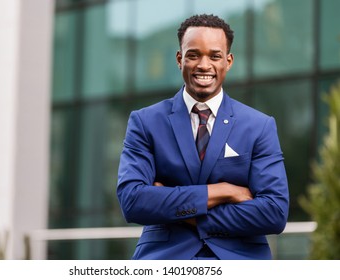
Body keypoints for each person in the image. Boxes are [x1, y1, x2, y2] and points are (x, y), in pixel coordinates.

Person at [116, 14, 289, 260]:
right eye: (194, 55)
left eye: (215, 56)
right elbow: (132, 201)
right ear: (180, 59)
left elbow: (274, 212)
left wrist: (189, 215)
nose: (204, 65)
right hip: (165, 259)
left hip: (240, 261)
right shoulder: (145, 122)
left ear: (228, 61)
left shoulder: (259, 126)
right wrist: (222, 191)